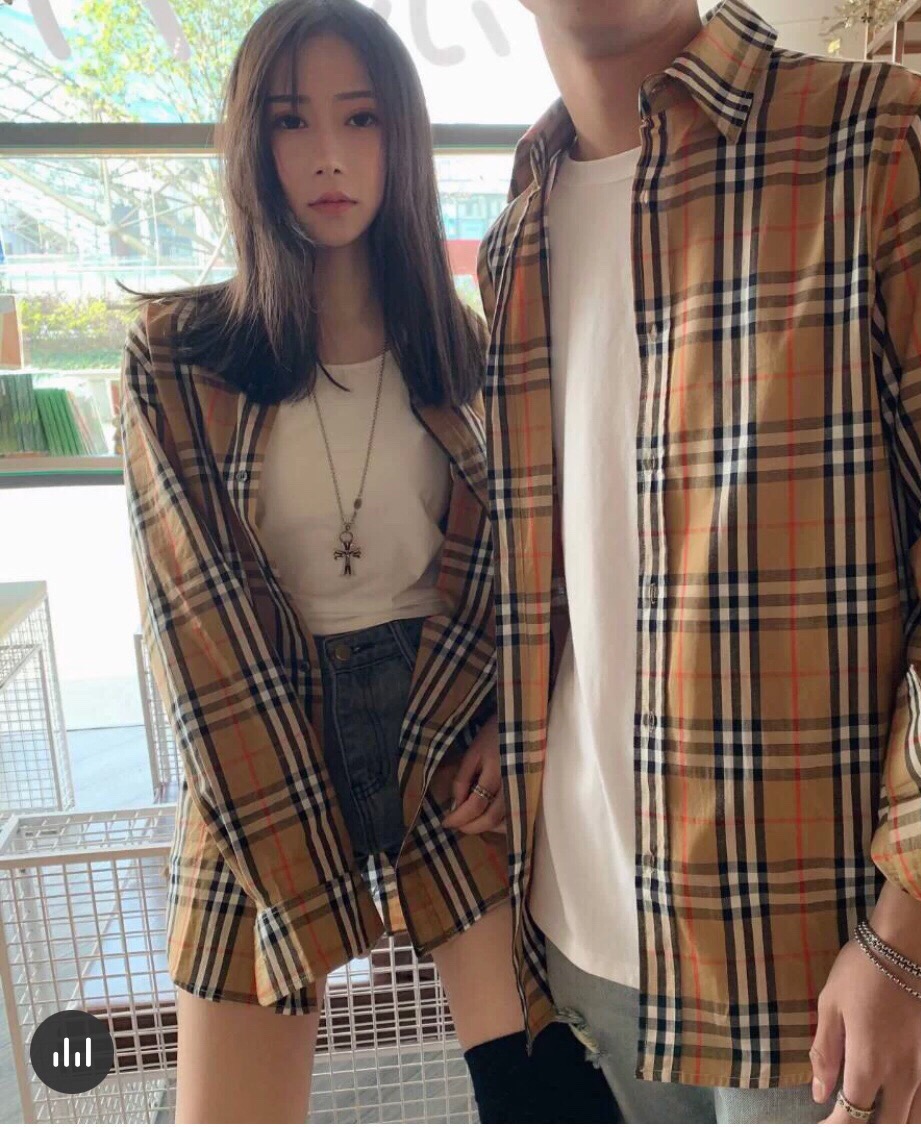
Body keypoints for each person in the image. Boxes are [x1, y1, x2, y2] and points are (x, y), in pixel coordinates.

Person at [474, 1, 921, 1123]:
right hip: (580, 938)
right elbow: (550, 582)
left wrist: (918, 935)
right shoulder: (516, 233)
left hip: (824, 967)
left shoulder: (882, 141)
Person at [118, 0, 618, 1121]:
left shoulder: (472, 352)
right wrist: (315, 896)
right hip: (259, 731)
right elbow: (199, 627)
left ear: (403, 138)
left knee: (547, 1096)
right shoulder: (179, 359)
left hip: (442, 730)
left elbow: (537, 573)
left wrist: (512, 725)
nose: (329, 156)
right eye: (291, 122)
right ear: (252, 143)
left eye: (360, 118)